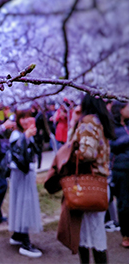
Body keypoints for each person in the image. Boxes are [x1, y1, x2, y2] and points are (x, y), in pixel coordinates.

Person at [56, 94, 115, 264]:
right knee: (93, 232)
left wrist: (71, 155)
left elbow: (87, 153)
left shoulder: (88, 122)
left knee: (88, 232)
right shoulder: (100, 121)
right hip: (100, 183)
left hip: (88, 184)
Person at [7, 106, 43, 258]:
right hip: (20, 174)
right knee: (24, 203)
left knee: (22, 202)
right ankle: (25, 243)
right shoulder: (17, 134)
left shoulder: (26, 133)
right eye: (22, 118)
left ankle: (18, 235)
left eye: (28, 116)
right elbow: (17, 152)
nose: (26, 120)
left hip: (24, 174)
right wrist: (26, 137)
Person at [109, 101, 129, 248]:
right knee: (124, 202)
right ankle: (126, 234)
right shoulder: (111, 127)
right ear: (120, 110)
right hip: (121, 168)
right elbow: (112, 146)